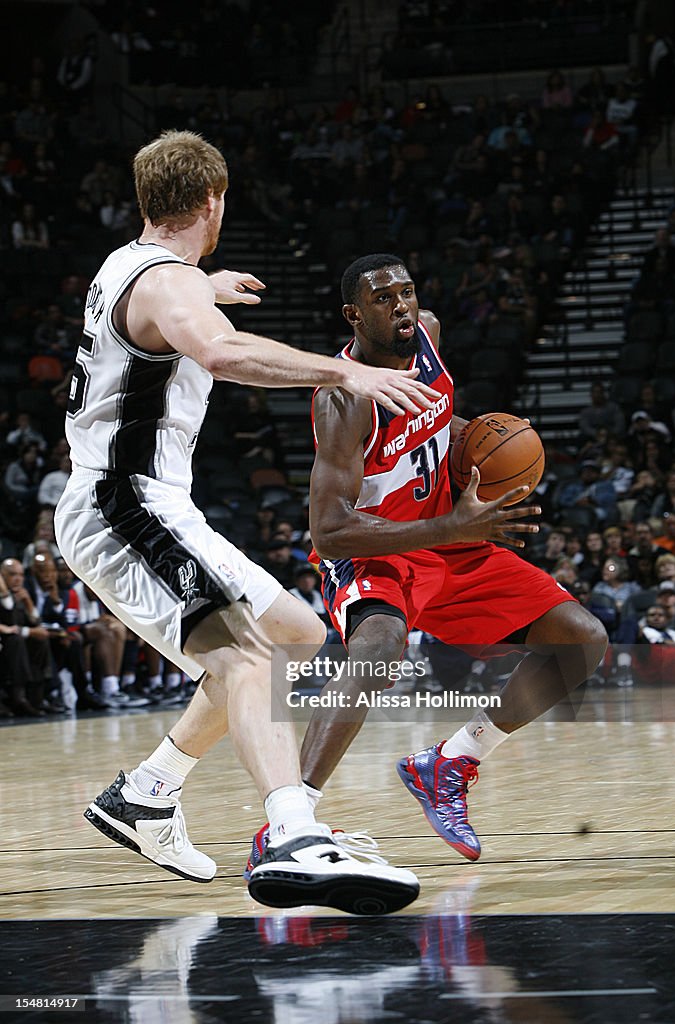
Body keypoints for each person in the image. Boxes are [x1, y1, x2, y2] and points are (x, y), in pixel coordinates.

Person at [54, 131, 432, 915]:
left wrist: (206, 285)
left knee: (294, 633)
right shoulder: (168, 286)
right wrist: (344, 368)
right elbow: (219, 354)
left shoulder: (136, 267)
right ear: (213, 200)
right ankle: (294, 833)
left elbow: (170, 307)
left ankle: (146, 794)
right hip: (122, 502)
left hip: (151, 501)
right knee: (245, 655)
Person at [243, 253, 607, 874]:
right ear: (354, 315)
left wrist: (486, 444)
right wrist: (450, 525)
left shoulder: (429, 338)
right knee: (378, 649)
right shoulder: (345, 401)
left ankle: (452, 762)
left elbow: (438, 421)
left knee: (581, 640)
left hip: (450, 540)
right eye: (384, 299)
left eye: (407, 292)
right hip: (377, 551)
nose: (402, 306)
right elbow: (329, 532)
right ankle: (287, 827)